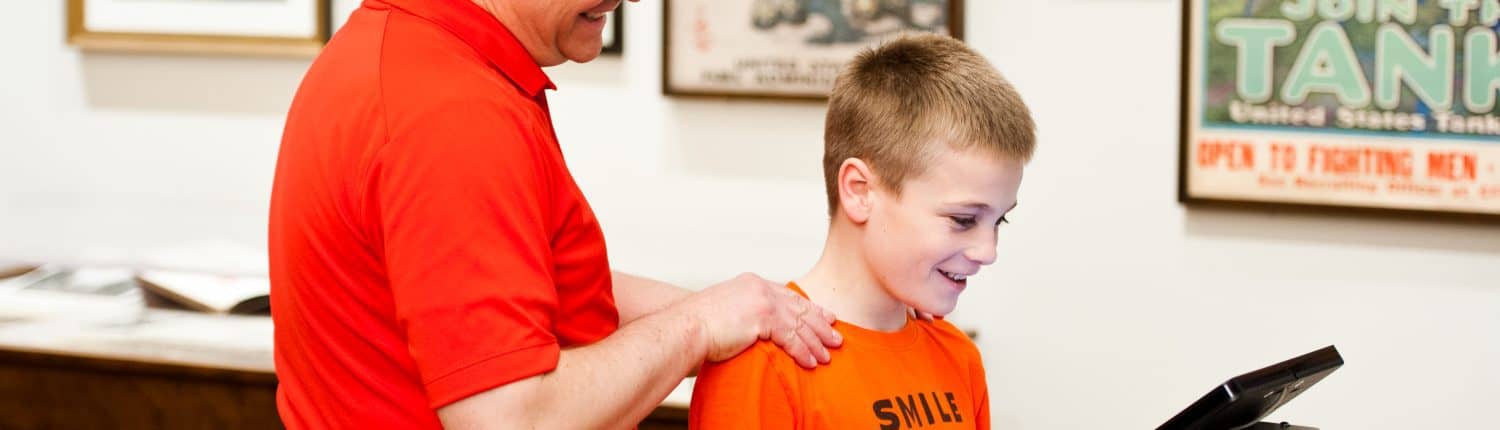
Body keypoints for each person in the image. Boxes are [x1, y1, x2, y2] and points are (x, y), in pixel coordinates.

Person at [267, 0, 842, 428]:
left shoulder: (406, 49)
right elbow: (511, 420)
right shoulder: (451, 114)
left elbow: (510, 289)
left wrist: (751, 309)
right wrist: (697, 327)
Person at [687, 33, 1037, 429]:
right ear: (860, 191)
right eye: (963, 220)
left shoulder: (958, 356)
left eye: (1000, 220)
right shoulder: (764, 365)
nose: (988, 251)